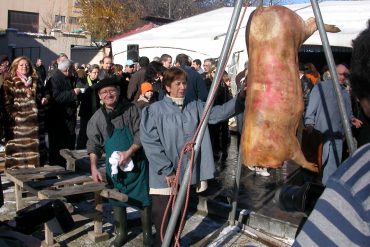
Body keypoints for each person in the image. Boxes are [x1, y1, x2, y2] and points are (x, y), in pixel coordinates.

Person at [140, 67, 245, 246]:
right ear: (167, 86)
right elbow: (150, 142)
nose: (182, 87)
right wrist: (167, 170)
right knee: (164, 221)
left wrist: (241, 98)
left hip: (186, 172)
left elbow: (217, 114)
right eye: (177, 83)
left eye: (184, 83)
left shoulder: (195, 105)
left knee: (180, 218)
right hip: (164, 177)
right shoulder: (154, 110)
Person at [86, 78, 151, 247]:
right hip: (114, 168)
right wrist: (93, 166)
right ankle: (121, 233)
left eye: (112, 91)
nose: (109, 94)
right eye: (104, 92)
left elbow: (141, 134)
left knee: (144, 199)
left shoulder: (132, 110)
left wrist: (129, 152)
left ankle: (147, 234)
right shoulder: (97, 118)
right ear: (100, 96)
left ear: (118, 91)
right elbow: (93, 144)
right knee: (117, 200)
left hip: (137, 162)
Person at [304, 64, 362, 185]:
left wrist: (352, 120)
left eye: (345, 75)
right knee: (319, 164)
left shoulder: (345, 93)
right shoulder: (320, 87)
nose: (343, 77)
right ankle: (315, 189)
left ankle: (326, 190)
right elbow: (311, 108)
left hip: (338, 136)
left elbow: (348, 114)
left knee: (333, 166)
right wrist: (309, 123)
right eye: (340, 74)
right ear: (333, 73)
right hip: (321, 134)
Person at [2, 56, 48, 168]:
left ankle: (36, 179)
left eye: (26, 65)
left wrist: (45, 98)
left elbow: (46, 93)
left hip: (36, 126)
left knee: (36, 158)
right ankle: (20, 180)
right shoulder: (9, 82)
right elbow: (6, 103)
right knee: (20, 158)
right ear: (16, 66)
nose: (24, 67)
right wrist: (16, 116)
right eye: (21, 65)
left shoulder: (37, 80)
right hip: (19, 128)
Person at [47, 59, 80, 166]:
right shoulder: (55, 79)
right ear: (67, 69)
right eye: (72, 69)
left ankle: (68, 165)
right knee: (58, 145)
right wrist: (72, 93)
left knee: (69, 142)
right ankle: (58, 167)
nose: (74, 71)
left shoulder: (69, 78)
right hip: (59, 118)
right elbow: (56, 97)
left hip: (68, 116)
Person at [76, 64, 100, 149]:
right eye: (94, 72)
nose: (96, 74)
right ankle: (80, 148)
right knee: (83, 132)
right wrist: (90, 90)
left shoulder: (99, 82)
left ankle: (93, 148)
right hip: (86, 111)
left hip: (96, 110)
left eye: (97, 72)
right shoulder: (83, 82)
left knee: (95, 132)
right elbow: (80, 97)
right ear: (89, 73)